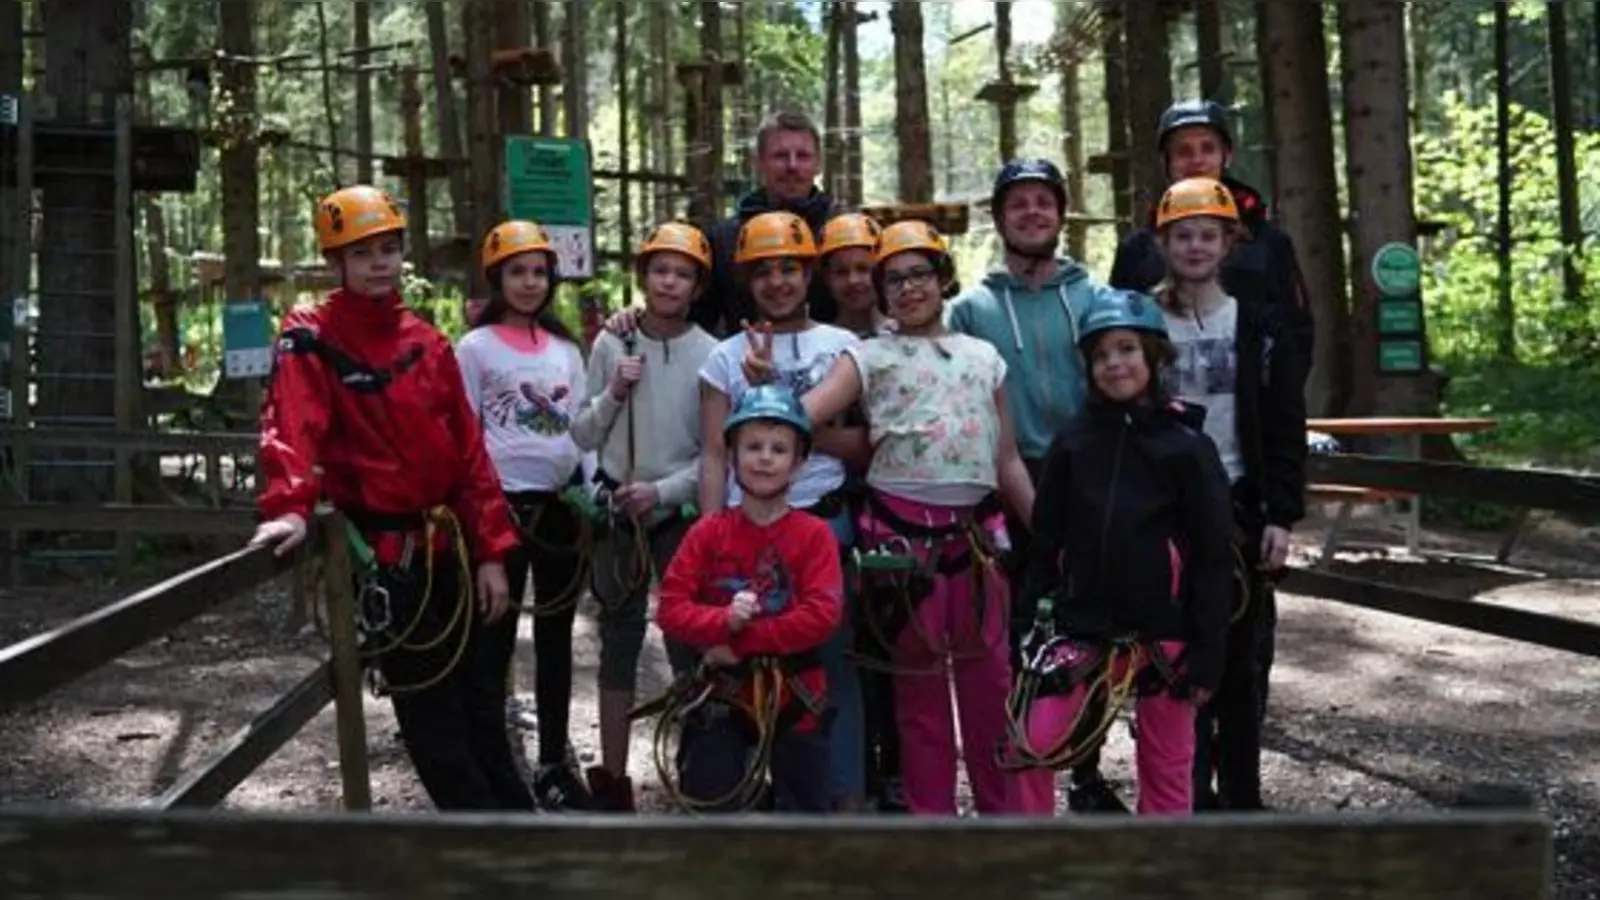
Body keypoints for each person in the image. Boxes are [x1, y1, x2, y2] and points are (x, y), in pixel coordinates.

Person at [250, 184, 525, 811]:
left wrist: (490, 553)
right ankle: (488, 851)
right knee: (433, 720)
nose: (379, 263)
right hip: (388, 562)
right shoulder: (311, 337)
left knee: (480, 704)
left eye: (389, 249)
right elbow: (294, 422)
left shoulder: (425, 343)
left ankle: (519, 828)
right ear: (335, 262)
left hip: (449, 547)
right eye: (363, 252)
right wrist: (290, 506)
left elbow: (468, 453)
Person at [800, 220, 1035, 816]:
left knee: (991, 687)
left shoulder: (985, 357)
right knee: (918, 692)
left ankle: (1003, 822)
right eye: (894, 279)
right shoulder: (869, 355)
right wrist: (770, 403)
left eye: (919, 275)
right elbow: (804, 414)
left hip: (978, 539)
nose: (908, 289)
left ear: (942, 278)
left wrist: (1050, 534)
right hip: (902, 543)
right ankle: (932, 827)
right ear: (879, 292)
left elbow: (1006, 458)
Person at [1009, 289, 1234, 816]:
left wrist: (1209, 653)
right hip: (1081, 627)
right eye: (1102, 355)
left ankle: (1157, 873)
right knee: (1030, 744)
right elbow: (1046, 540)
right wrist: (1026, 620)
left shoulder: (1187, 448)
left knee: (1168, 763)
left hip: (1166, 633)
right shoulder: (1073, 443)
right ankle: (1027, 858)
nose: (1115, 364)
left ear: (1153, 356)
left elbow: (1213, 556)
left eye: (1127, 349)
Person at [944, 158, 1117, 811]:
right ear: (999, 218)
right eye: (1018, 204)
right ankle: (1022, 763)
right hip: (1003, 482)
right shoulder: (970, 310)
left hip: (1090, 479)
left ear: (1060, 213)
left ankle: (1088, 769)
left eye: (1044, 201)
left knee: (1095, 624)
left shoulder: (1093, 297)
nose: (1032, 213)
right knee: (1018, 630)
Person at [1143, 177, 1308, 811]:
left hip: (1238, 504)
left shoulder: (1259, 325)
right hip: (1164, 511)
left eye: (1208, 234)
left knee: (1241, 665)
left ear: (1229, 242)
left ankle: (1243, 802)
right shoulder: (1141, 321)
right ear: (1163, 242)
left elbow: (1284, 426)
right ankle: (1184, 799)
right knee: (1172, 658)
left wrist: (1282, 516)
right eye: (1182, 235)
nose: (1194, 246)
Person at [699, 210, 868, 810]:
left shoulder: (844, 347)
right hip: (746, 529)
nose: (778, 282)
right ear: (746, 279)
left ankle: (838, 799)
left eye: (790, 268)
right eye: (764, 271)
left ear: (809, 273)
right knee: (747, 663)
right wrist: (710, 536)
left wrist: (773, 393)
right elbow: (715, 456)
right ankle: (748, 796)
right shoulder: (723, 356)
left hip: (822, 519)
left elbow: (860, 446)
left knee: (830, 665)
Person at [569, 222, 719, 812]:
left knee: (686, 636)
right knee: (620, 638)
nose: (669, 281)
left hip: (671, 508)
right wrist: (614, 393)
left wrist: (659, 492)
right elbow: (581, 430)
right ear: (643, 276)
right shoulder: (613, 343)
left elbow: (712, 453)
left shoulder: (710, 353)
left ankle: (700, 763)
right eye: (660, 270)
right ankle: (612, 776)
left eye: (682, 273)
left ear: (696, 286)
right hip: (616, 509)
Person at [454, 219, 593, 811]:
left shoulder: (565, 349)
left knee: (556, 638)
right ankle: (493, 766)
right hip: (500, 509)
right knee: (494, 639)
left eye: (539, 272)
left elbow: (583, 427)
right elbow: (464, 431)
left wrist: (591, 493)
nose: (530, 282)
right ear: (497, 278)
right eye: (518, 272)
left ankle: (553, 763)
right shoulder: (475, 348)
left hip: (561, 510)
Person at [655, 385, 845, 812]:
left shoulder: (814, 536)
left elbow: (822, 614)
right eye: (753, 447)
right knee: (710, 798)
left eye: (778, 449)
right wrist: (721, 619)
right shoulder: (709, 533)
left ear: (797, 464)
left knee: (805, 816)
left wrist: (740, 636)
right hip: (723, 693)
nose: (764, 458)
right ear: (734, 456)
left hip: (795, 694)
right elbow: (671, 607)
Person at [1108, 98, 1313, 383]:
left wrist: (1276, 405)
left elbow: (1297, 333)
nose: (1197, 160)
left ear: (1226, 156)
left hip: (1250, 412)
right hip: (1161, 412)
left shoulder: (1268, 243)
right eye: (1183, 151)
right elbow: (1117, 336)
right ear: (1167, 161)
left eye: (1208, 148)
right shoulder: (1138, 250)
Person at [607, 110, 841, 339]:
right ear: (759, 162)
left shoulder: (840, 234)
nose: (792, 166)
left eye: (802, 156)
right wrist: (641, 317)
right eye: (780, 156)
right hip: (741, 369)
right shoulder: (724, 240)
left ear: (818, 163)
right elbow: (691, 318)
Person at [819, 212, 890, 338]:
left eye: (863, 269)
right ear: (827, 278)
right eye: (841, 272)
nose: (853, 280)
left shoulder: (906, 334)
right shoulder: (820, 343)